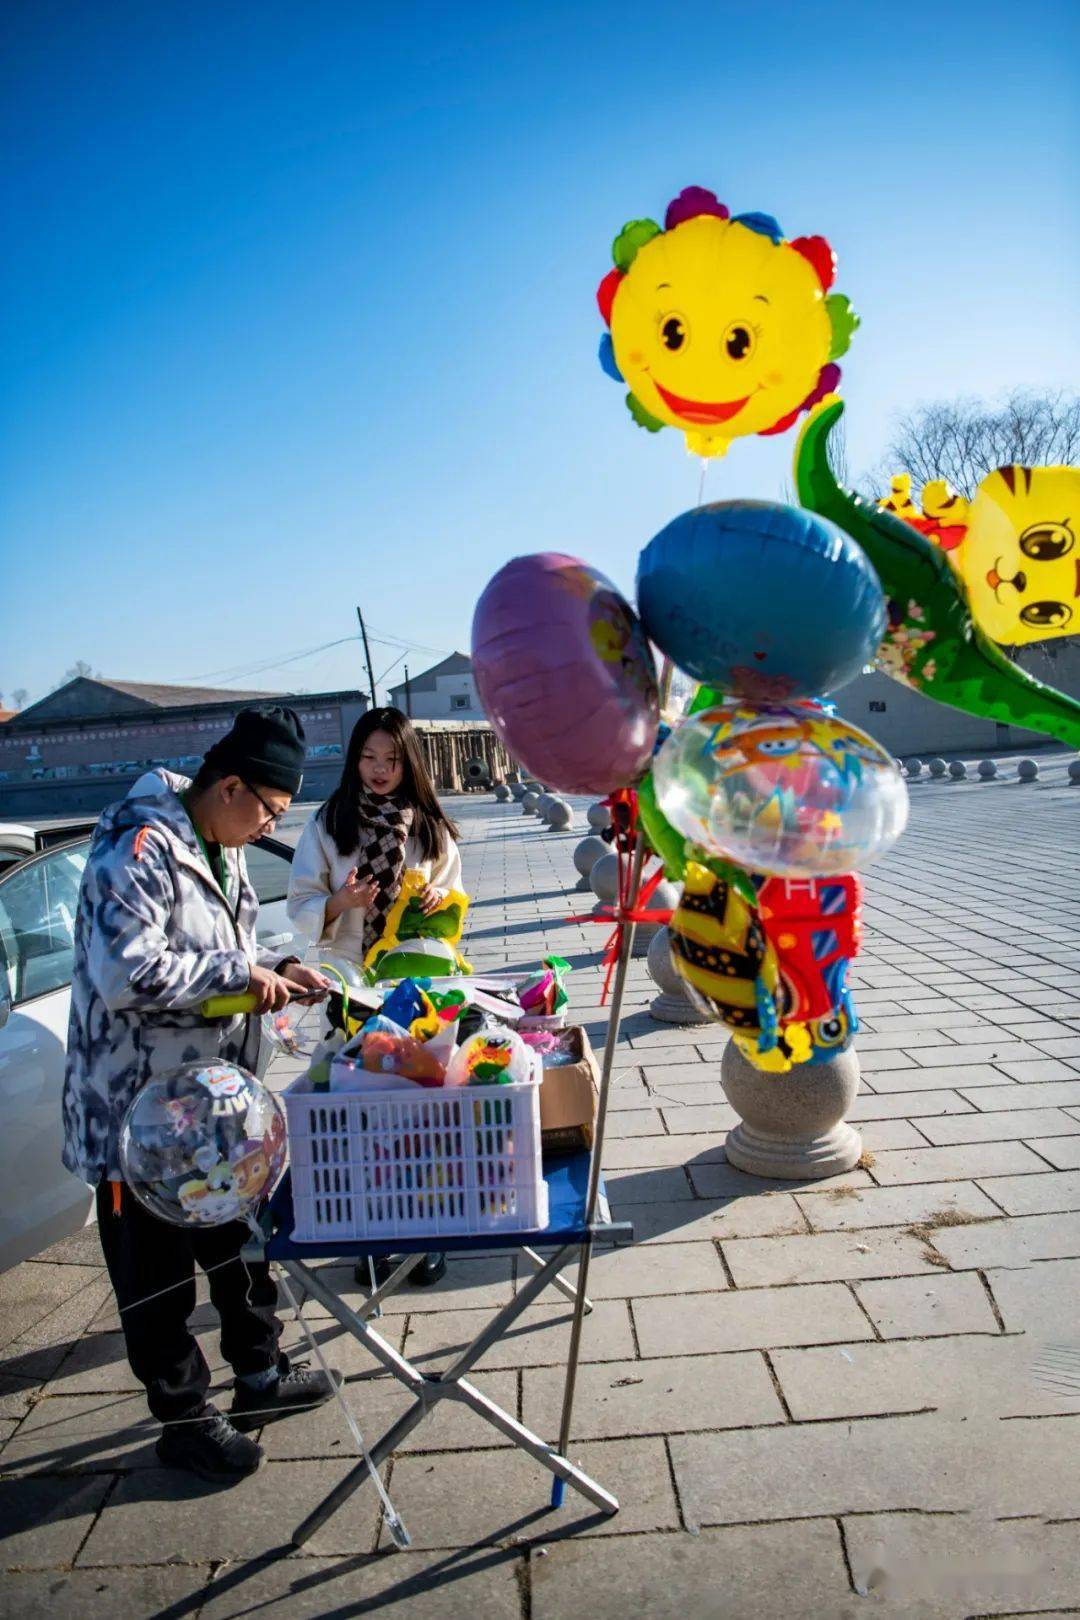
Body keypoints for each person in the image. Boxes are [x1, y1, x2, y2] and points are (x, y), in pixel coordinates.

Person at [62, 706, 338, 1483]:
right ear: (230, 786)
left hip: (212, 1102)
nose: (269, 828)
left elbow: (224, 949)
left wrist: (278, 967)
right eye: (270, 813)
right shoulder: (136, 844)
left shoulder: (218, 840)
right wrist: (239, 978)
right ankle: (183, 1419)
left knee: (238, 1246)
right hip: (136, 1111)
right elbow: (126, 973)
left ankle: (261, 1372)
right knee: (156, 1278)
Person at [286, 707, 462, 1286]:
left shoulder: (432, 827)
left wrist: (437, 894)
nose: (379, 770)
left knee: (418, 1103)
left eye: (391, 759)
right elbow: (301, 902)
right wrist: (341, 903)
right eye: (368, 757)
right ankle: (367, 1235)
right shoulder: (330, 822)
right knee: (355, 1104)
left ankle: (424, 1233)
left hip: (412, 979)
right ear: (353, 758)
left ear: (408, 762)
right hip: (347, 977)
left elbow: (453, 896)